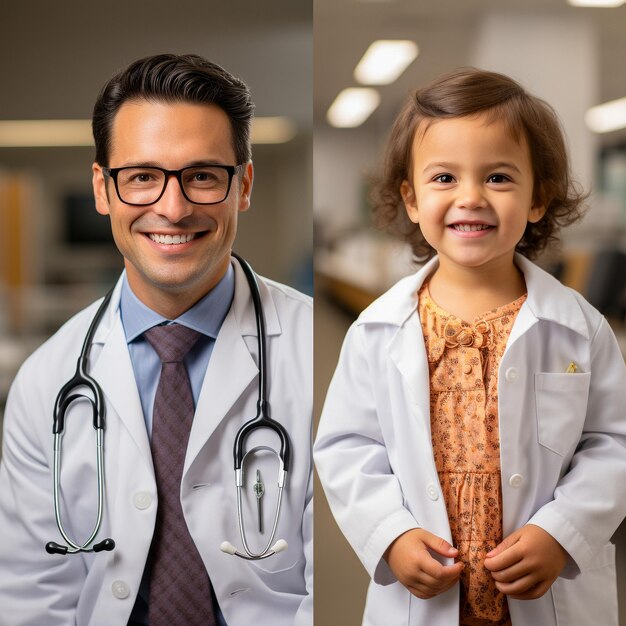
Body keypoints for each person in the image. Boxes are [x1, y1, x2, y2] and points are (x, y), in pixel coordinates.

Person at [0, 54, 312, 626]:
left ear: (242, 185)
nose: (172, 208)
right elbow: (33, 594)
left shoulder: (322, 356)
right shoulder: (47, 381)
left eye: (201, 175)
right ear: (103, 189)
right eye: (142, 176)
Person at [314, 67, 626, 626]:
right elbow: (347, 449)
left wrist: (564, 532)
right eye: (443, 178)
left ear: (538, 198)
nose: (471, 197)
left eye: (500, 178)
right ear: (410, 199)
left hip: (544, 597)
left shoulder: (580, 328)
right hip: (427, 595)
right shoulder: (375, 331)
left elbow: (614, 444)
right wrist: (391, 534)